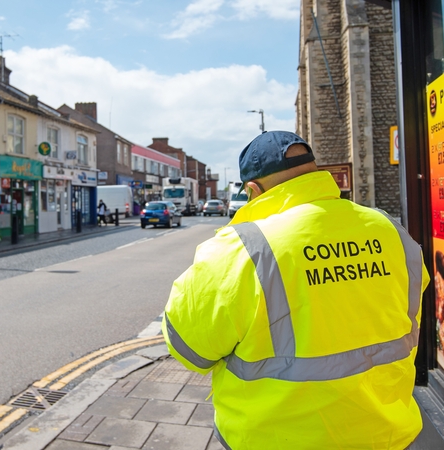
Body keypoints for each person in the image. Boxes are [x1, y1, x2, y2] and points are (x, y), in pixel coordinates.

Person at [162, 131, 429, 449]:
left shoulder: (242, 249)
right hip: (387, 434)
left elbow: (189, 348)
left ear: (253, 190)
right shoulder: (389, 230)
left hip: (275, 439)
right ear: (316, 174)